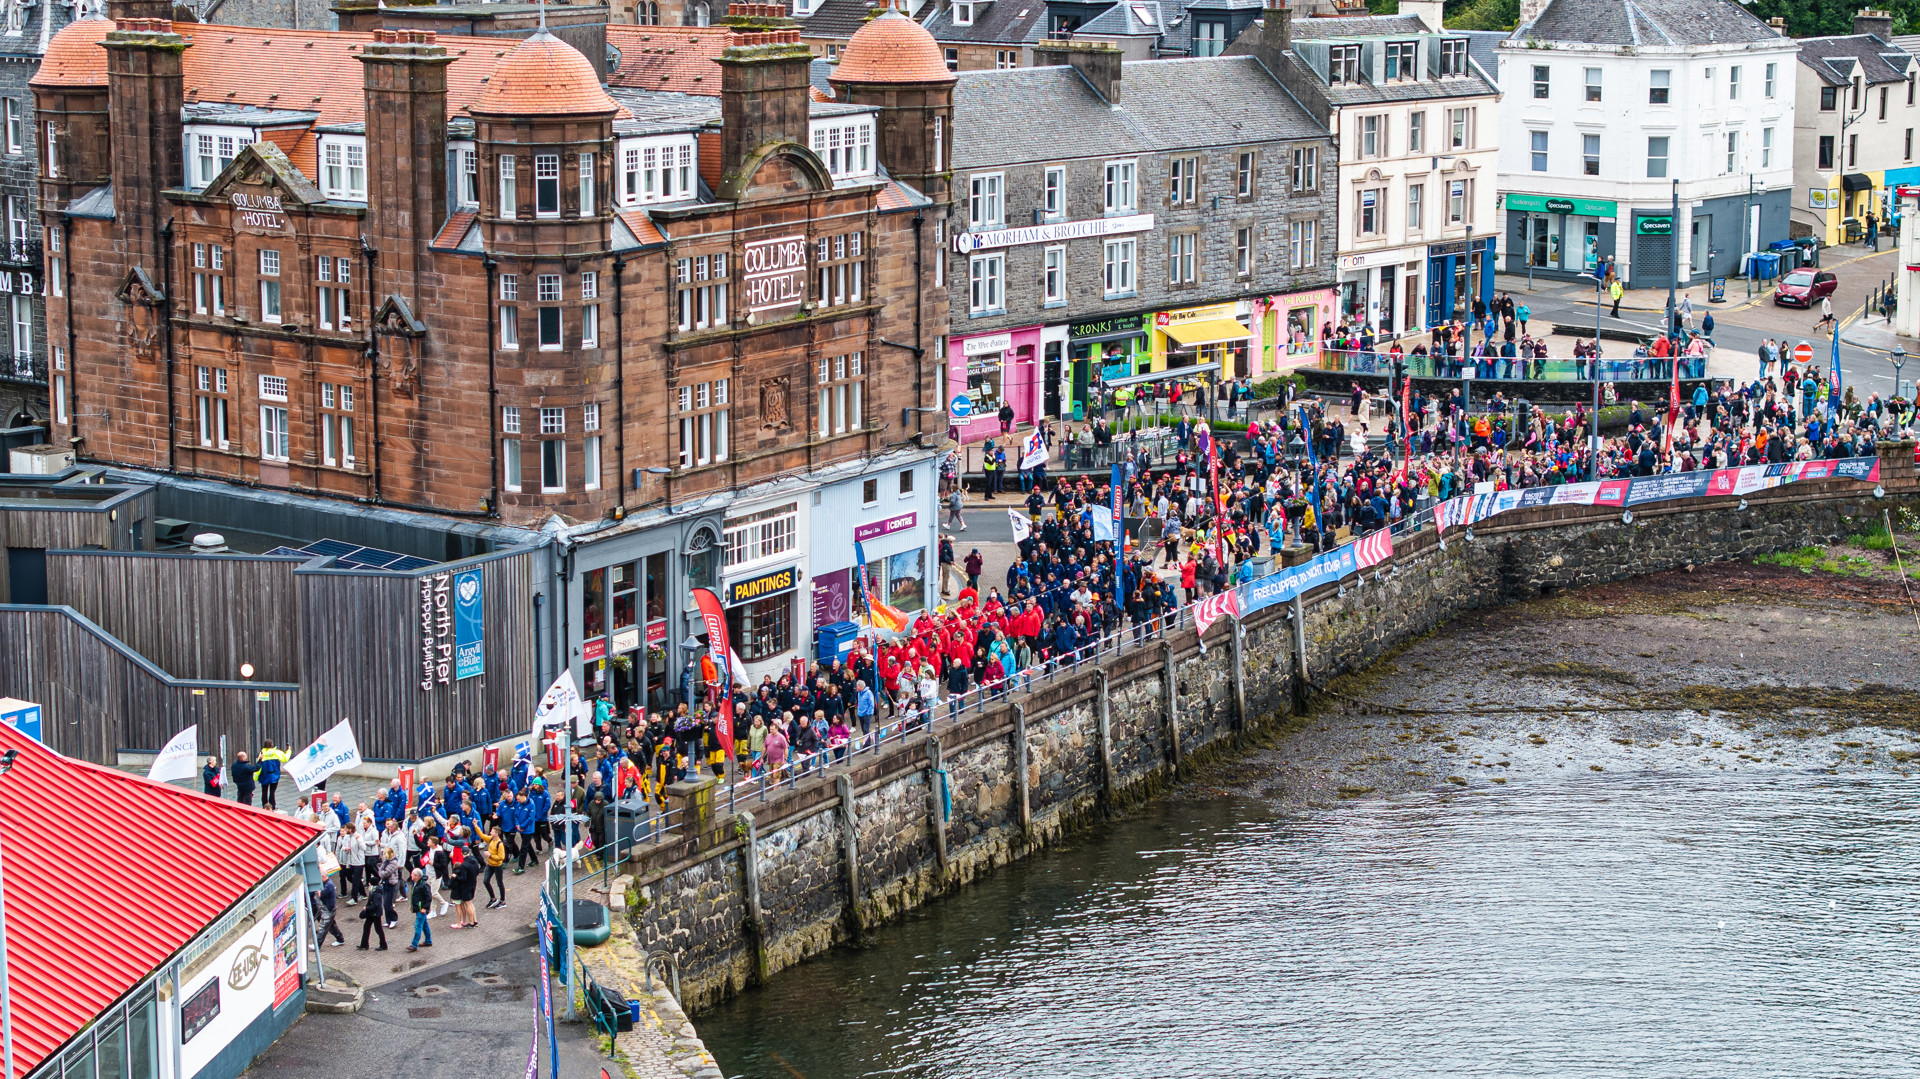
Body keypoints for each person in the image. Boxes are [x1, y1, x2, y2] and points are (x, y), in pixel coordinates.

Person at [448, 846, 480, 928]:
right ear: (469, 852)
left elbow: (463, 878)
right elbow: (477, 872)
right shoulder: (474, 862)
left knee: (467, 903)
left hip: (466, 886)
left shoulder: (464, 865)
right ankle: (474, 920)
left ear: (462, 853)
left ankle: (471, 922)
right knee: (471, 902)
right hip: (473, 883)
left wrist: (456, 877)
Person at [406, 868, 434, 952]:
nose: (411, 876)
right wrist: (412, 905)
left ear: (417, 876)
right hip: (419, 908)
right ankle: (428, 941)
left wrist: (424, 908)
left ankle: (414, 944)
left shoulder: (423, 885)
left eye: (412, 874)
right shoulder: (417, 884)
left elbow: (428, 897)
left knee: (418, 926)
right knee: (424, 925)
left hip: (421, 909)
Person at [312, 877, 344, 947]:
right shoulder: (326, 883)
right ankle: (340, 939)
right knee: (331, 925)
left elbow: (321, 894)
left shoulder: (328, 885)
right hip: (325, 908)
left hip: (328, 909)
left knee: (323, 927)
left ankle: (317, 945)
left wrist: (318, 892)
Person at [482, 823, 508, 908]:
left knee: (499, 883)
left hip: (497, 866)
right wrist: (475, 826)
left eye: (492, 832)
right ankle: (493, 898)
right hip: (490, 865)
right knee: (485, 881)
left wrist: (490, 855)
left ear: (496, 834)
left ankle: (502, 901)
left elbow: (501, 857)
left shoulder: (500, 844)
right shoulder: (491, 839)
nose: (490, 832)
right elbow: (482, 835)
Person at [256, 742, 287, 810]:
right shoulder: (276, 752)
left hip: (264, 776)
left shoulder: (262, 753)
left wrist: (256, 777)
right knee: (272, 792)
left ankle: (265, 806)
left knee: (264, 792)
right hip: (274, 775)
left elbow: (258, 765)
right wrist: (289, 750)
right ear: (272, 745)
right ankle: (272, 806)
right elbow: (285, 758)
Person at [357, 886, 388, 950]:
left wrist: (367, 908)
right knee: (366, 928)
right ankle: (364, 944)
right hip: (371, 914)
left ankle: (383, 945)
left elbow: (375, 905)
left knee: (378, 930)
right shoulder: (374, 892)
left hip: (375, 914)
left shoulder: (376, 893)